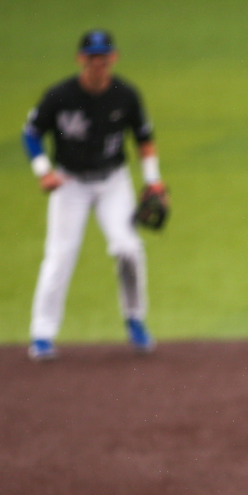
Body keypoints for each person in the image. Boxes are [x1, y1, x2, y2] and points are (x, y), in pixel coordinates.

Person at [21, 29, 167, 360]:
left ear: (113, 57)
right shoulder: (60, 95)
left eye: (103, 56)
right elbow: (31, 133)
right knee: (60, 255)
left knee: (129, 248)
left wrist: (153, 181)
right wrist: (43, 170)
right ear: (80, 59)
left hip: (113, 182)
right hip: (69, 183)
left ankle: (135, 319)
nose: (98, 63)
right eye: (92, 57)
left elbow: (144, 139)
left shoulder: (125, 95)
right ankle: (42, 334)